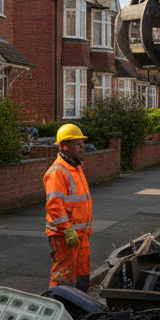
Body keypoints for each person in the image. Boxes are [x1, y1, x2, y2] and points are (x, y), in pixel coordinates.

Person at [44, 124, 93, 290]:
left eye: (82, 143)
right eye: (77, 143)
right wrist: (67, 229)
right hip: (64, 236)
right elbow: (54, 205)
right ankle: (57, 306)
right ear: (64, 146)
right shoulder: (58, 171)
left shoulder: (75, 167)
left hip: (80, 234)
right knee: (63, 277)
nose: (82, 147)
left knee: (81, 274)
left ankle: (79, 310)